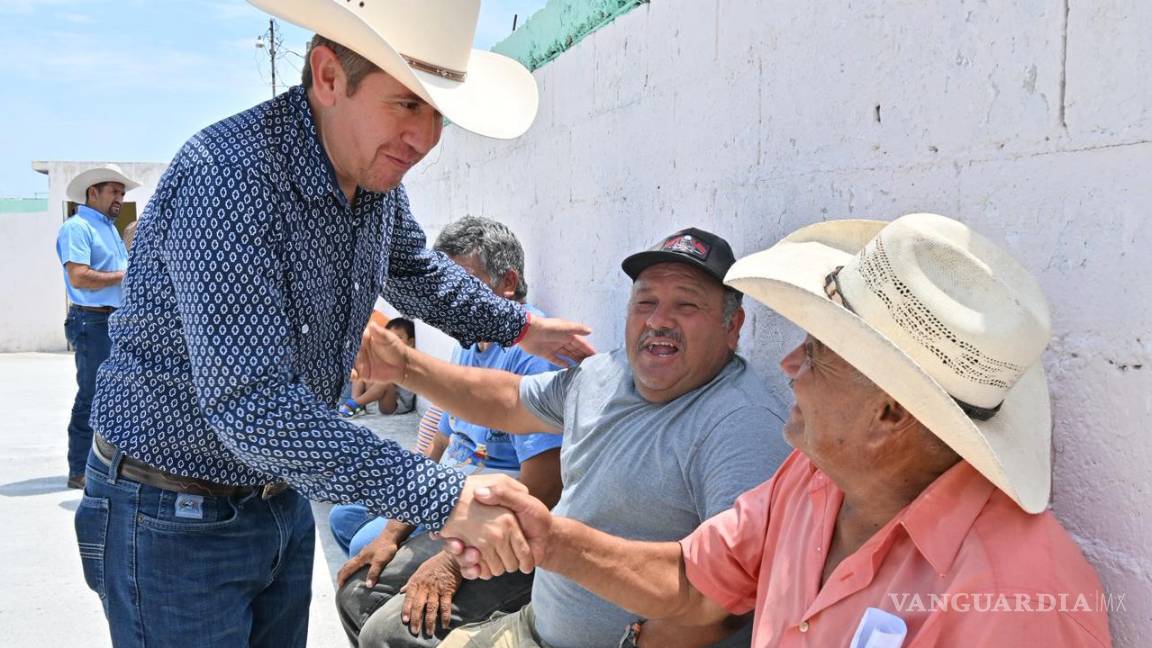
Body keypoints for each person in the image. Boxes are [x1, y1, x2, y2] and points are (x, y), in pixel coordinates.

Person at [73, 2, 593, 646]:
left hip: (274, 491)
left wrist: (521, 327)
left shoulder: (371, 176)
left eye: (438, 113)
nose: (425, 138)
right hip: (171, 515)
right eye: (406, 104)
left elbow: (413, 267)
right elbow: (253, 404)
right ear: (327, 76)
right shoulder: (229, 180)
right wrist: (444, 498)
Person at [445, 214, 1112, 647]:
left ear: (892, 414)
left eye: (817, 353)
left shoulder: (1016, 598)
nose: (789, 364)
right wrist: (550, 539)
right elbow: (696, 582)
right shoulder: (812, 480)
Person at [355, 227, 793, 647]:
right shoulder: (608, 372)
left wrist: (553, 545)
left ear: (733, 326)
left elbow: (730, 599)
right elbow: (508, 400)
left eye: (687, 305)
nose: (659, 320)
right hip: (536, 621)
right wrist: (406, 368)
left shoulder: (741, 424)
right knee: (379, 627)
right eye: (645, 302)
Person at [336, 216, 566, 647]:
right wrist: (392, 532)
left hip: (506, 533)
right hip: (453, 508)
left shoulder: (533, 355)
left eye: (462, 285)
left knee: (386, 629)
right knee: (356, 590)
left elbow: (545, 488)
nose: (449, 301)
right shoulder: (469, 346)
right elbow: (439, 447)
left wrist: (451, 561)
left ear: (507, 284)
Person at [55, 163, 139, 489]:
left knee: (116, 395)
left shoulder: (108, 228)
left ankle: (106, 465)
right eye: (114, 191)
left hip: (112, 319)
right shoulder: (77, 228)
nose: (119, 197)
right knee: (91, 395)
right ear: (94, 192)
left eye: (122, 192)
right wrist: (126, 275)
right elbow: (79, 276)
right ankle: (79, 470)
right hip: (91, 320)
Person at [341, 317, 418, 417]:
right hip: (374, 400)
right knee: (363, 370)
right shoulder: (385, 355)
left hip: (394, 404)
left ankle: (355, 404)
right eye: (390, 338)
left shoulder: (408, 360)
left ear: (410, 342)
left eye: (399, 338)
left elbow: (391, 381)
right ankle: (355, 402)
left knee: (385, 382)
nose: (393, 342)